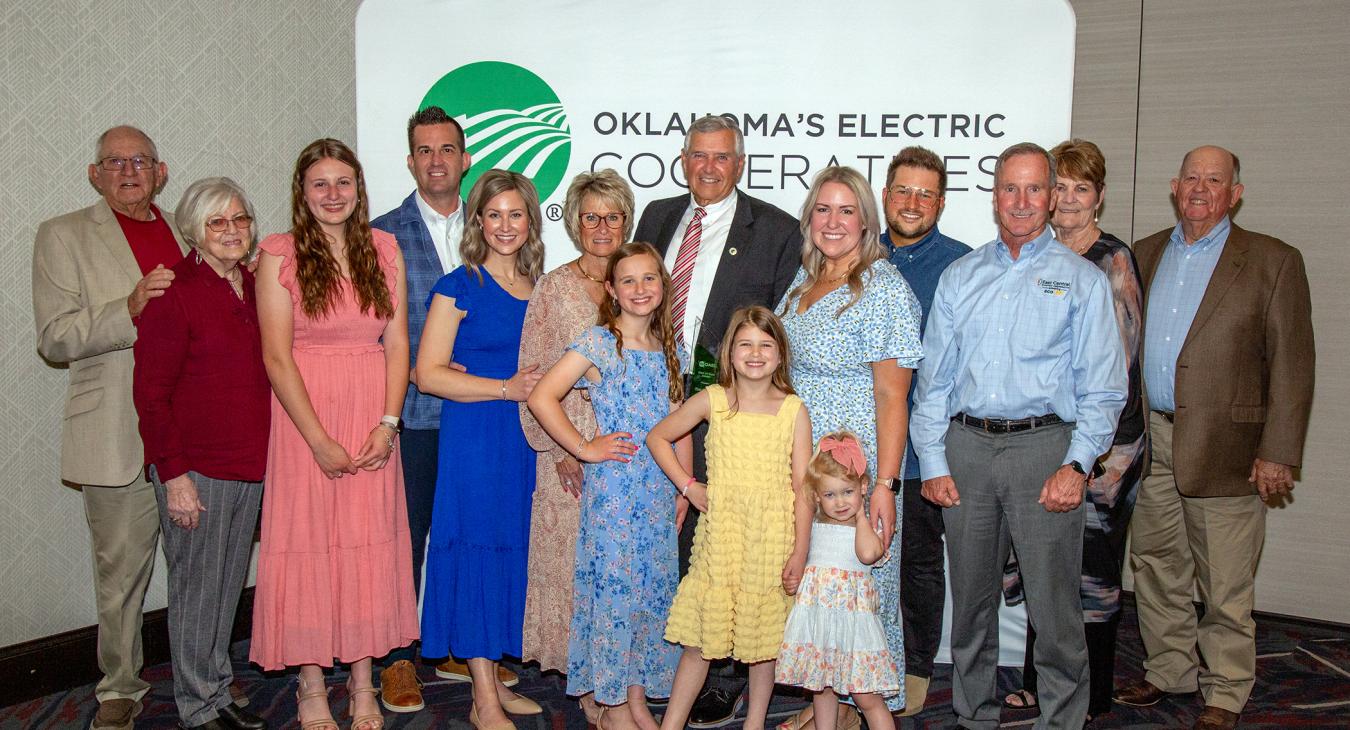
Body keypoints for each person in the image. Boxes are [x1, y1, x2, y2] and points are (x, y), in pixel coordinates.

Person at [910, 142, 1127, 730]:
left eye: (1036, 189)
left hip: (1044, 451)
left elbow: (1105, 388)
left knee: (1055, 609)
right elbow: (933, 381)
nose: (1023, 201)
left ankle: (1061, 720)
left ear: (1053, 196)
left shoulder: (1081, 281)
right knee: (972, 606)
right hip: (966, 449)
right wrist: (932, 461)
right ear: (995, 197)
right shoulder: (962, 275)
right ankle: (974, 716)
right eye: (1011, 188)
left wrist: (1077, 465)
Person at [1114, 146, 1314, 730]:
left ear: (1235, 192)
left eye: (1215, 180)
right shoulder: (1145, 254)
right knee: (1154, 564)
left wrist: (1279, 451)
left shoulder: (1272, 261)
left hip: (1228, 447)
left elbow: (1293, 365)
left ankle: (1226, 689)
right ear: (1175, 187)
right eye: (1191, 179)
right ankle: (1168, 669)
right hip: (1152, 441)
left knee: (1224, 577)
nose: (1200, 189)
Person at [634, 113, 801, 730]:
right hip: (650, 392)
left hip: (729, 408)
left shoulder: (778, 230)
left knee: (719, 542)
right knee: (660, 537)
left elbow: (780, 329)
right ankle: (656, 659)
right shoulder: (655, 216)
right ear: (683, 159)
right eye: (698, 156)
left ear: (741, 162)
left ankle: (723, 674)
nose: (709, 167)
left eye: (722, 157)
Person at [251, 138, 419, 730]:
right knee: (310, 544)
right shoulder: (278, 254)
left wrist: (389, 422)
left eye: (343, 183)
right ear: (302, 192)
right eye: (320, 184)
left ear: (359, 188)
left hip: (373, 413)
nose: (332, 195)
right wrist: (317, 438)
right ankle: (311, 683)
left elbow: (397, 342)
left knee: (367, 543)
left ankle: (364, 682)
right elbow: (275, 356)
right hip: (304, 418)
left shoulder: (385, 249)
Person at [32, 125, 187, 730]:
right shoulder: (63, 234)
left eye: (140, 161)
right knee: (121, 574)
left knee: (199, 567)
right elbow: (55, 337)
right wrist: (128, 307)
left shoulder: (188, 229)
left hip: (189, 431)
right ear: (94, 174)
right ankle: (118, 687)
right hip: (116, 432)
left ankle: (204, 677)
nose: (129, 171)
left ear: (161, 171)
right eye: (114, 162)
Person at [998, 139, 1146, 725]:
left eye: (1080, 189)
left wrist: (1094, 454)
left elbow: (1122, 367)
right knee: (1045, 563)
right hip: (1047, 438)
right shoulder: (1036, 254)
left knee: (1092, 574)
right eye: (1057, 188)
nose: (1066, 200)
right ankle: (1040, 682)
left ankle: (1095, 691)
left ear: (1099, 197)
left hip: (1105, 448)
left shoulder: (1111, 260)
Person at [370, 105, 505, 711]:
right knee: (407, 535)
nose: (436, 161)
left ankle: (457, 643)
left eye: (447, 149)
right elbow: (375, 334)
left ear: (465, 158)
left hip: (483, 419)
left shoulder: (497, 223)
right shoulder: (380, 233)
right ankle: (398, 660)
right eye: (424, 151)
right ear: (409, 161)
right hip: (419, 416)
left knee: (472, 532)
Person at [777, 165, 923, 723]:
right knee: (821, 585)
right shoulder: (801, 281)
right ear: (808, 217)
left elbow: (893, 396)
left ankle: (861, 702)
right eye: (822, 209)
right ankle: (829, 703)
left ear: (866, 221)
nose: (832, 221)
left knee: (862, 589)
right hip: (808, 463)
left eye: (846, 210)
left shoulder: (881, 286)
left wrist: (883, 485)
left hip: (856, 471)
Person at [528, 242, 692, 730]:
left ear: (664, 287)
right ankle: (612, 702)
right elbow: (542, 396)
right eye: (628, 280)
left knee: (651, 594)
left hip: (660, 491)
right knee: (616, 593)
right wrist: (583, 446)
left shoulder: (672, 349)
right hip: (616, 494)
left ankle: (636, 694)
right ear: (611, 289)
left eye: (649, 279)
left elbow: (680, 422)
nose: (640, 290)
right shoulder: (599, 342)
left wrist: (684, 486)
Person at [131, 177, 269, 730]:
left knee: (226, 585)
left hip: (249, 465)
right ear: (194, 230)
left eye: (240, 220)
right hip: (197, 471)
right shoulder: (174, 292)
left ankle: (214, 687)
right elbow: (151, 396)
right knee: (194, 592)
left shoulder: (257, 287)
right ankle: (195, 706)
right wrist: (175, 477)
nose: (232, 231)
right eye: (218, 222)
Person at [417, 169, 546, 730]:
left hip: (526, 439)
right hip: (476, 438)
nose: (504, 225)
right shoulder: (457, 285)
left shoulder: (541, 285)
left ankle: (490, 682)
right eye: (493, 215)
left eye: (515, 214)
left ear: (530, 220)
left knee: (510, 551)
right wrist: (503, 388)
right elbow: (427, 374)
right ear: (477, 222)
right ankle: (483, 700)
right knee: (476, 549)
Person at [648, 305, 814, 730]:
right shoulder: (713, 400)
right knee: (701, 640)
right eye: (745, 345)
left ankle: (755, 721)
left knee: (764, 640)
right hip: (721, 536)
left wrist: (800, 550)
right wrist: (688, 486)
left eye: (765, 345)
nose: (755, 354)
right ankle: (672, 724)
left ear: (779, 355)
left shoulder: (794, 409)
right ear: (729, 353)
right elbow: (658, 437)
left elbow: (802, 487)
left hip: (772, 537)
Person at [517, 170, 632, 699]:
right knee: (570, 568)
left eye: (612, 216)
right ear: (575, 224)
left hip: (631, 445)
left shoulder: (641, 278)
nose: (602, 227)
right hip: (568, 440)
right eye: (592, 217)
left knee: (621, 568)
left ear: (626, 219)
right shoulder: (554, 286)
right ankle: (586, 691)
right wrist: (563, 449)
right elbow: (535, 371)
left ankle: (620, 679)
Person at [879, 146, 972, 717]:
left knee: (915, 561)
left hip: (922, 449)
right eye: (902, 191)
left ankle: (914, 668)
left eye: (925, 195)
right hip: (847, 445)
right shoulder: (850, 253)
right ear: (885, 195)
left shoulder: (962, 265)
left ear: (940, 203)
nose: (912, 204)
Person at [777, 432, 901, 730]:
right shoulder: (816, 526)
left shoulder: (866, 528)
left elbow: (869, 553)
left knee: (867, 697)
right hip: (822, 624)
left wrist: (861, 517)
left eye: (848, 492)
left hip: (854, 629)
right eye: (830, 495)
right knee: (822, 689)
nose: (840, 502)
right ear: (817, 496)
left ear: (863, 487)